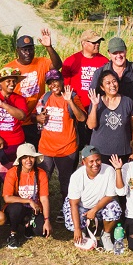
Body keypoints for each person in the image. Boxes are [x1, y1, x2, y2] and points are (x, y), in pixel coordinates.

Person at [34, 70, 85, 210]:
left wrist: (70, 102)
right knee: (42, 179)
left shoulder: (72, 96)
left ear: (62, 81)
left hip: (66, 148)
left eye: (55, 81)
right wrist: (38, 118)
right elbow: (35, 115)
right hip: (46, 148)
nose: (53, 85)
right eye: (50, 83)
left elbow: (82, 118)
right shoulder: (46, 97)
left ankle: (67, 209)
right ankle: (37, 208)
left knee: (65, 181)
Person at [2, 30, 61, 143]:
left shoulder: (41, 62)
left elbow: (57, 65)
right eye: (24, 50)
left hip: (37, 118)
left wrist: (49, 47)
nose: (28, 53)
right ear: (17, 51)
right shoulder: (9, 68)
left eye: (30, 49)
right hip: (17, 119)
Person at [64, 147, 123, 252]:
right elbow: (74, 204)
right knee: (71, 223)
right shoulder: (76, 176)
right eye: (91, 161)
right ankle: (82, 231)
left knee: (114, 208)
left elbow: (110, 196)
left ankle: (106, 235)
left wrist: (94, 210)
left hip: (99, 205)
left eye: (98, 160)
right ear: (83, 162)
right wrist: (77, 229)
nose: (95, 164)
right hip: (81, 206)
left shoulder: (109, 170)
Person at [0, 144, 53, 248]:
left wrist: (47, 220)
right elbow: (7, 197)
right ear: (19, 160)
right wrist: (29, 201)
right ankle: (13, 234)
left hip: (34, 209)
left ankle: (28, 226)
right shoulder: (12, 173)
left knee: (42, 231)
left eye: (31, 157)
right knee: (16, 208)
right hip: (17, 207)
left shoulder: (41, 173)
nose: (29, 160)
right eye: (24, 157)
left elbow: (44, 198)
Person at [86, 69, 133, 163]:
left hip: (123, 152)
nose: (112, 85)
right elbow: (91, 126)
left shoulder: (128, 102)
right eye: (108, 83)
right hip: (100, 152)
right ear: (102, 87)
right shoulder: (97, 102)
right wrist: (94, 106)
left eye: (114, 81)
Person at [0, 68, 29, 166]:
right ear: (0, 83)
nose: (12, 84)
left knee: (13, 172)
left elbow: (22, 116)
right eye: (8, 81)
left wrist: (3, 105)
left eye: (14, 81)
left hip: (15, 142)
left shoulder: (19, 99)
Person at [59, 31, 109, 117]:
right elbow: (65, 86)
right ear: (84, 43)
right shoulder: (71, 61)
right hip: (77, 108)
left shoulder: (104, 62)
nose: (97, 44)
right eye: (94, 42)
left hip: (98, 107)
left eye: (98, 42)